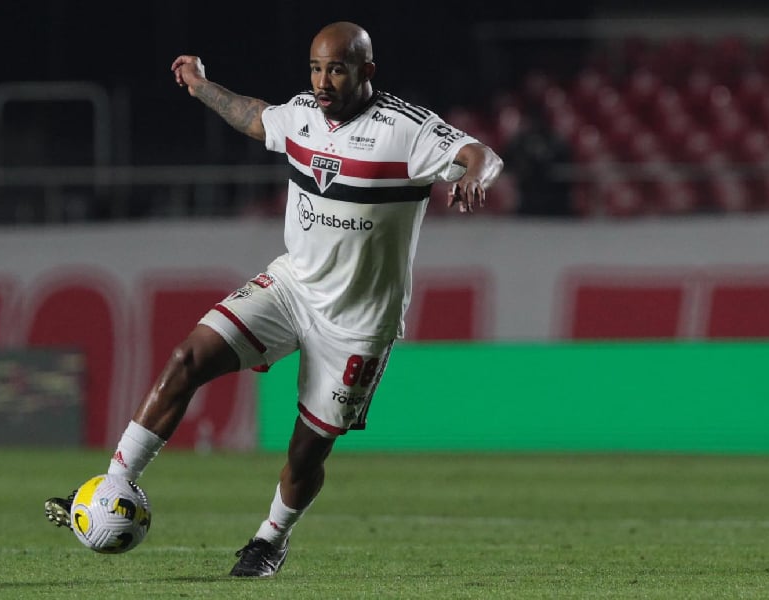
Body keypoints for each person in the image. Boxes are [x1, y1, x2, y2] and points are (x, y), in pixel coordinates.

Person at [44, 21, 503, 577]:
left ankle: (269, 539)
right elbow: (254, 115)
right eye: (315, 68)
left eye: (336, 68)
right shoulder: (304, 114)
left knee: (307, 450)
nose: (323, 81)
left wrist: (474, 175)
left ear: (367, 71)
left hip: (357, 325)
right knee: (187, 358)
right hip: (290, 288)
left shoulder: (404, 130)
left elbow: (479, 152)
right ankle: (113, 485)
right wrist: (200, 84)